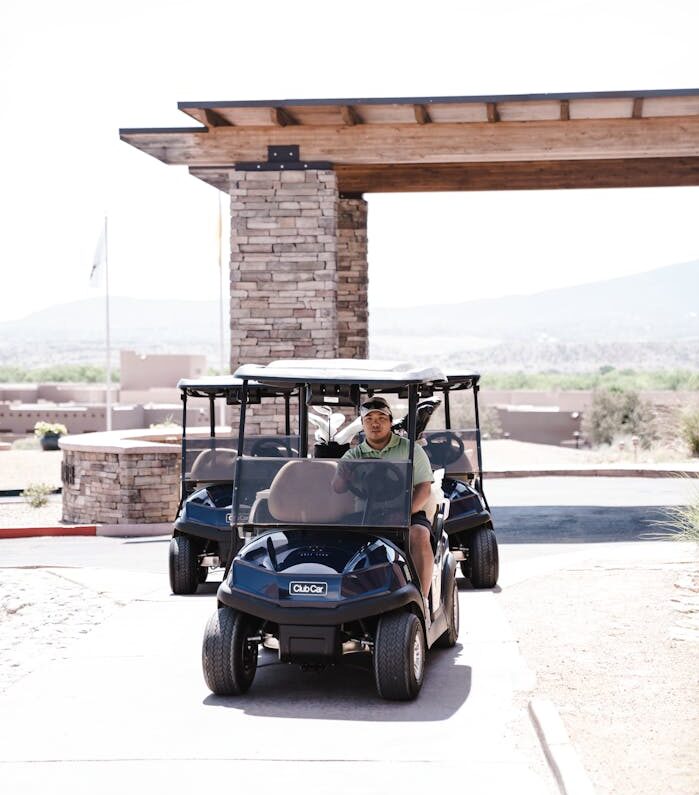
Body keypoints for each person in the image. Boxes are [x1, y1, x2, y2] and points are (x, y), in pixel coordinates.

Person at [332, 396, 435, 611]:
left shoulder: (411, 450)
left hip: (406, 511)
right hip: (366, 515)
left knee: (419, 535)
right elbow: (337, 487)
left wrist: (406, 513)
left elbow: (424, 488)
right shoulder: (354, 454)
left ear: (390, 422)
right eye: (369, 419)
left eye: (381, 418)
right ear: (362, 424)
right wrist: (344, 476)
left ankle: (421, 600)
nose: (375, 423)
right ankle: (346, 597)